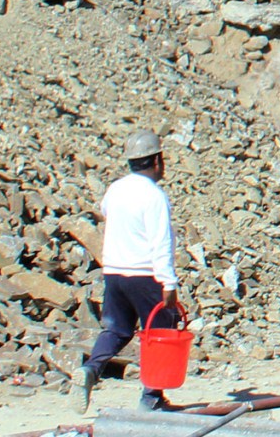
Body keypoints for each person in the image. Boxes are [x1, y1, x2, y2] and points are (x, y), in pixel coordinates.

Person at [80, 131, 188, 414]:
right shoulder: (154, 196)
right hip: (145, 275)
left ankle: (90, 370)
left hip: (114, 273)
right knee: (160, 331)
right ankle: (151, 397)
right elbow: (161, 241)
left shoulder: (115, 189)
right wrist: (169, 282)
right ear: (156, 161)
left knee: (116, 328)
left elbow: (105, 211)